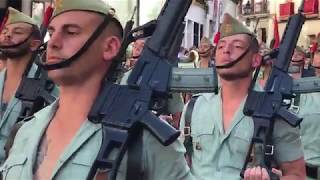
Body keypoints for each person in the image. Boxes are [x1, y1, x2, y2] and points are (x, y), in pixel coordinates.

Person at [0, 0, 193, 179]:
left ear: (109, 47)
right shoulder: (24, 131)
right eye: (52, 32)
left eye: (71, 32)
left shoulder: (146, 140)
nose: (53, 43)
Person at [179, 13, 305, 180]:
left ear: (255, 60)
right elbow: (182, 164)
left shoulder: (273, 110)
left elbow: (297, 174)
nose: (226, 51)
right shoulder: (194, 107)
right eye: (221, 46)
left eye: (237, 46)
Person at [0, 7, 49, 164]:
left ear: (34, 44)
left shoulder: (45, 86)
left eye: (18, 32)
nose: (7, 35)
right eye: (5, 30)